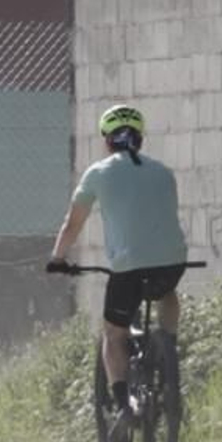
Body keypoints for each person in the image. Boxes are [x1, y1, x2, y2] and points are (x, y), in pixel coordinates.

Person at [46, 103, 189, 414]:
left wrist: (58, 258)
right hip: (172, 261)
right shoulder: (164, 172)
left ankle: (124, 406)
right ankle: (168, 354)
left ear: (107, 140)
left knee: (113, 333)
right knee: (167, 293)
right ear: (140, 139)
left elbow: (73, 223)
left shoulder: (97, 173)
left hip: (128, 268)